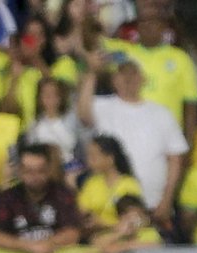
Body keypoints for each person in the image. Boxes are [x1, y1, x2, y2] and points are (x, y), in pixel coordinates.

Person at [78, 53, 187, 231]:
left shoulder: (162, 113)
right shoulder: (102, 106)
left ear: (143, 79)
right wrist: (92, 73)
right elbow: (83, 115)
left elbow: (175, 160)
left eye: (134, 73)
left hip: (153, 207)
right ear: (114, 80)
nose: (129, 79)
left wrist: (167, 200)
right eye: (123, 74)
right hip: (110, 213)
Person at [104, 7, 197, 142]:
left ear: (164, 26)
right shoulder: (123, 53)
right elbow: (88, 42)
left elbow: (191, 106)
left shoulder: (181, 58)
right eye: (142, 22)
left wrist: (188, 145)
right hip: (129, 136)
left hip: (168, 140)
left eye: (153, 22)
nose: (147, 26)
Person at [0, 143, 83, 253]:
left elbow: (73, 233)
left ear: (49, 170)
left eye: (40, 171)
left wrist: (50, 244)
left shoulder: (62, 195)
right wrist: (27, 246)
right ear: (20, 171)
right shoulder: (7, 198)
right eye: (29, 171)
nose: (35, 176)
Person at [77, 135, 142, 228]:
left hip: (126, 235)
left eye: (93, 156)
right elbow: (82, 211)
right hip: (96, 235)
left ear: (110, 158)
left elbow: (135, 220)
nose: (89, 161)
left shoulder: (129, 184)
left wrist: (104, 223)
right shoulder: (91, 183)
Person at [90, 193, 164, 253]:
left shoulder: (149, 232)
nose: (134, 221)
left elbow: (155, 246)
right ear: (121, 218)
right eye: (129, 217)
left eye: (138, 216)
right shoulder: (110, 234)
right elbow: (98, 247)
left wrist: (122, 247)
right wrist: (121, 234)